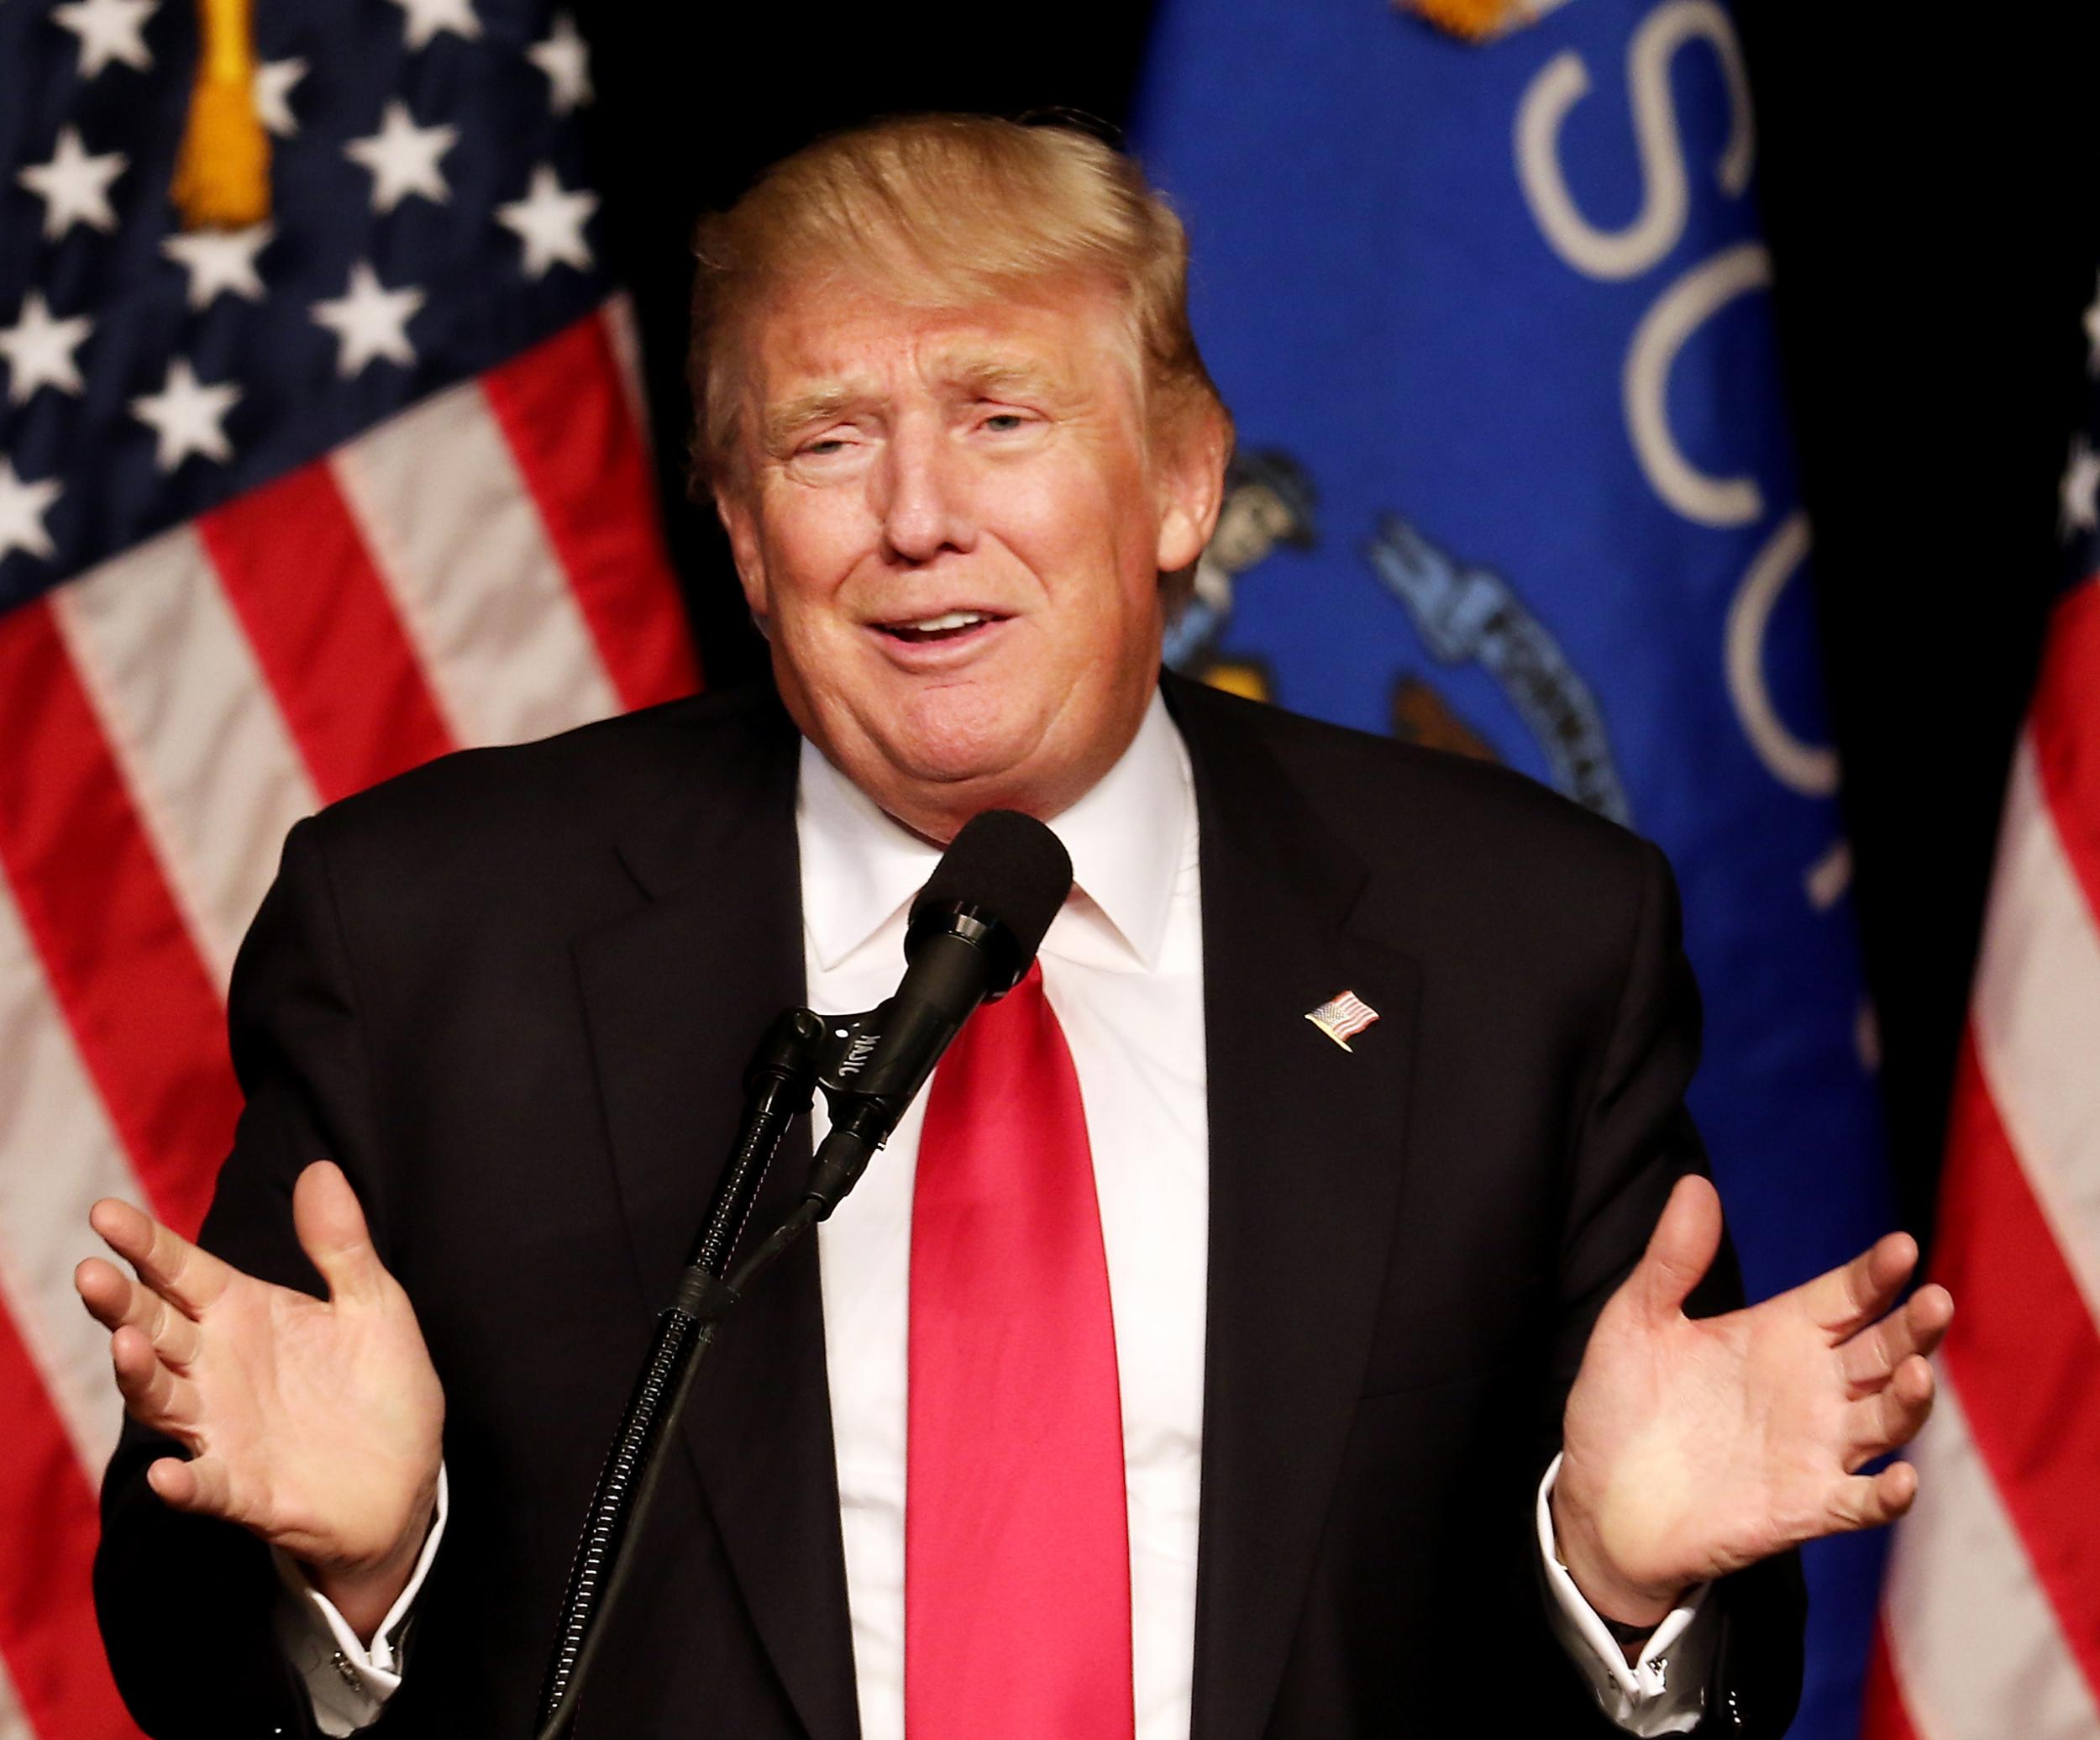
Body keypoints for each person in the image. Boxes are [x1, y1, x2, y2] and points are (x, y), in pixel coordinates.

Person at [79, 115, 1950, 1738]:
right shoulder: (428, 936)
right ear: (738, 532)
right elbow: (189, 1654)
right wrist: (358, 1561)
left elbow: (1696, 1648)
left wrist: (1614, 1577)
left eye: (999, 417)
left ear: (1182, 479)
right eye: (825, 442)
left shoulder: (1519, 942)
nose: (917, 517)